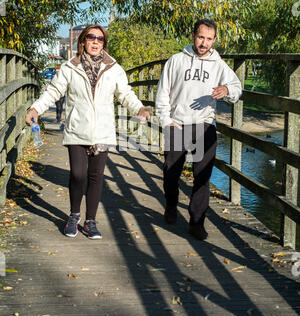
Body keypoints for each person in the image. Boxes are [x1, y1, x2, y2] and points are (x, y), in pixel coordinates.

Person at [26, 24, 150, 240]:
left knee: (95, 177)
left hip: (102, 131)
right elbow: (53, 91)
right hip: (77, 129)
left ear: (104, 43)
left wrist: (139, 108)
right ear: (82, 41)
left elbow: (125, 93)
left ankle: (90, 222)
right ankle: (74, 216)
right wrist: (36, 108)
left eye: (100, 39)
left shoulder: (113, 68)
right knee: (77, 174)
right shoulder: (69, 67)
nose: (95, 41)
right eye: (91, 37)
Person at [155, 18, 242, 241]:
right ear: (193, 36)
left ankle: (196, 222)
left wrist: (226, 90)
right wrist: (166, 121)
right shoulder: (176, 61)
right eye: (201, 37)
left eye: (209, 39)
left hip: (204, 125)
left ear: (214, 40)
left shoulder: (218, 64)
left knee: (202, 177)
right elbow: (162, 93)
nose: (204, 43)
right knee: (170, 173)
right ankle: (171, 205)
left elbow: (236, 88)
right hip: (177, 123)